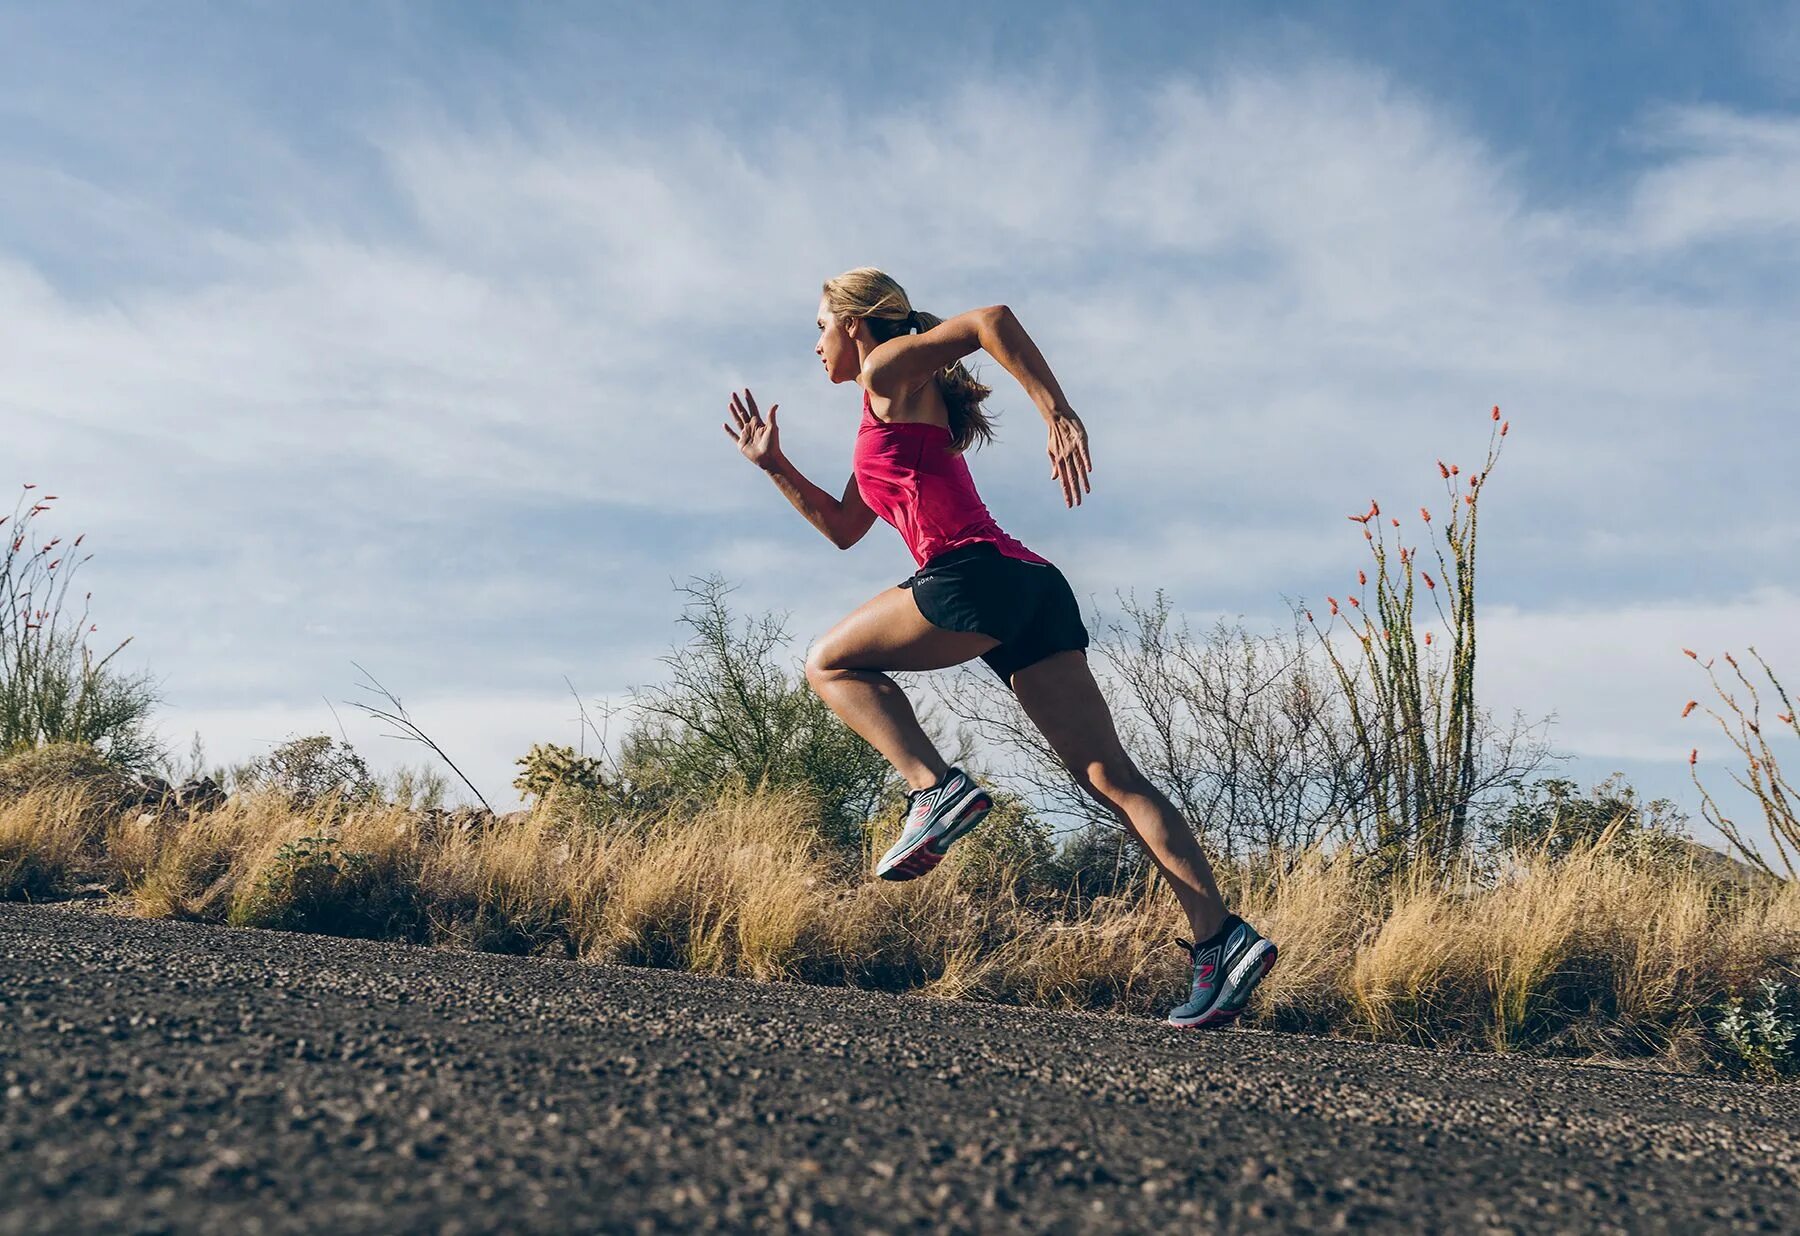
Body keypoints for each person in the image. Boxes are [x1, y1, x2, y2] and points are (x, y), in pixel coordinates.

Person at [721, 266, 1277, 1028]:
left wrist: (1059, 411)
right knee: (1110, 777)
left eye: (820, 326)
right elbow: (844, 530)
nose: (816, 345)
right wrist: (774, 464)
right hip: (1032, 587)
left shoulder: (885, 368)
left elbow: (991, 318)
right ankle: (1222, 941)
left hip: (973, 575)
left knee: (829, 662)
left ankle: (933, 789)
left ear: (855, 324)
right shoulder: (882, 413)